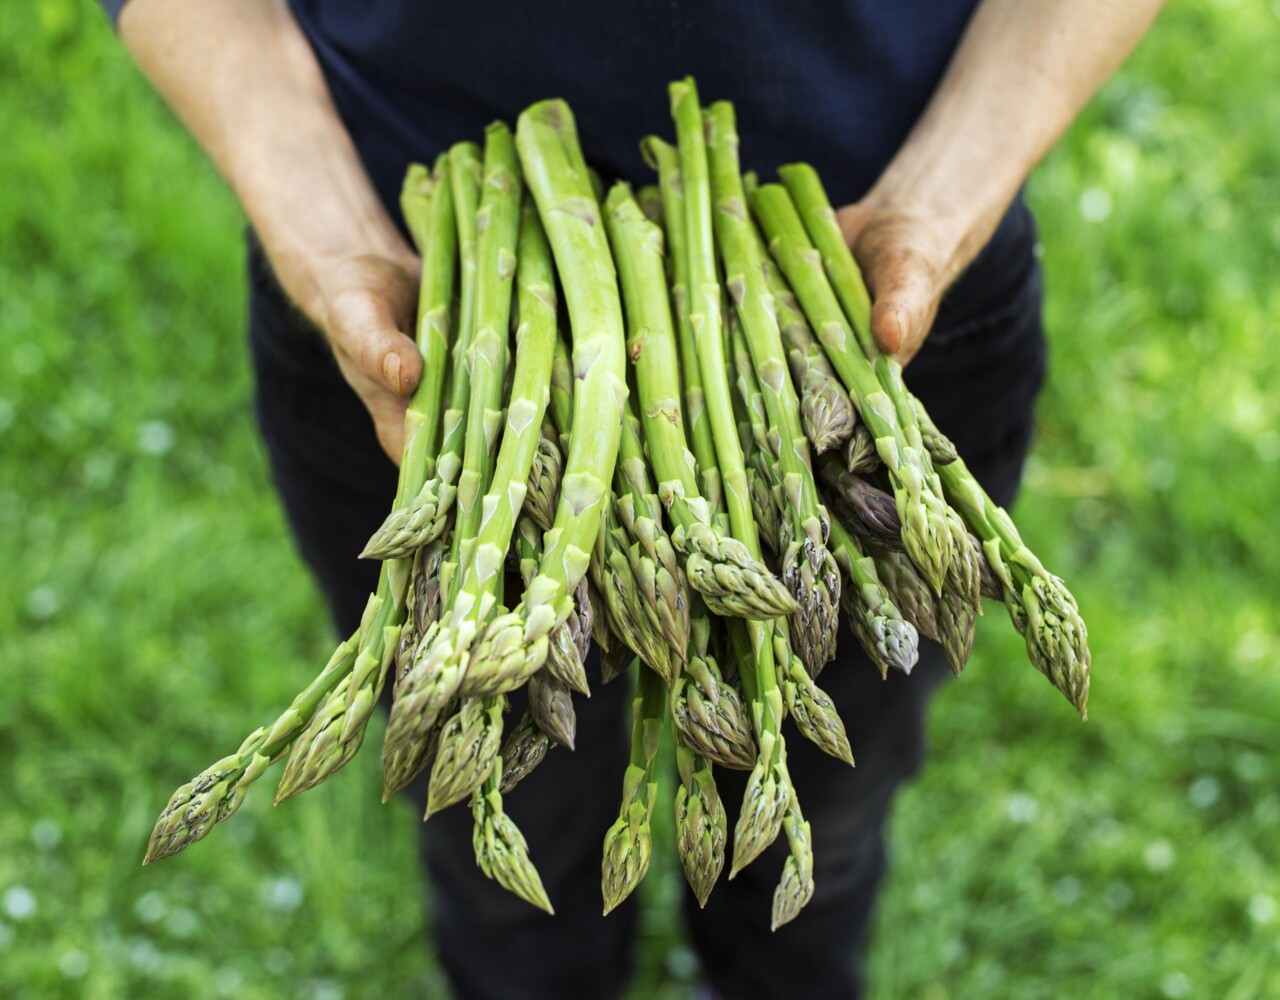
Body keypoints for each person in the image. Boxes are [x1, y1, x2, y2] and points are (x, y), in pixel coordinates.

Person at [100, 2, 1162, 997]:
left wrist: (942, 198)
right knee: (502, 840)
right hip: (430, 320)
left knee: (819, 824)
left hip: (854, 304)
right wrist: (321, 221)